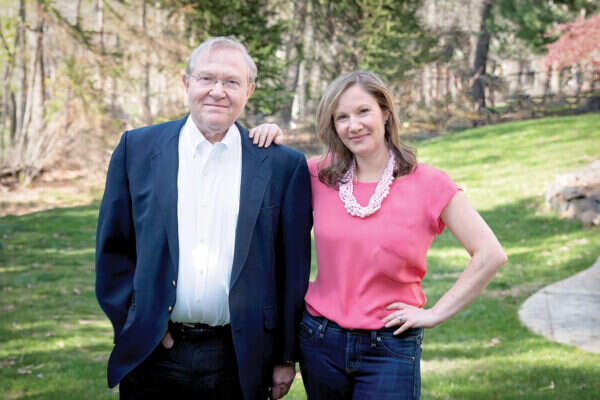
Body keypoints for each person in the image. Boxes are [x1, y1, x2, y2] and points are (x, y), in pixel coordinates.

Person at [250, 70, 507, 399]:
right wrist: (269, 135)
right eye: (342, 117)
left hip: (390, 346)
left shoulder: (430, 183)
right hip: (320, 341)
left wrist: (436, 313)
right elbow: (267, 176)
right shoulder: (317, 174)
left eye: (363, 111)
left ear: (385, 113)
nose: (353, 125)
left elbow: (490, 253)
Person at [95, 36, 312, 400]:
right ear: (186, 82)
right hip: (154, 354)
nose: (217, 91)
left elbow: (292, 272)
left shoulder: (281, 165)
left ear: (249, 91)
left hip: (241, 358)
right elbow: (112, 250)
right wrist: (133, 323)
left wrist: (285, 356)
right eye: (206, 78)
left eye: (232, 82)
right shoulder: (137, 149)